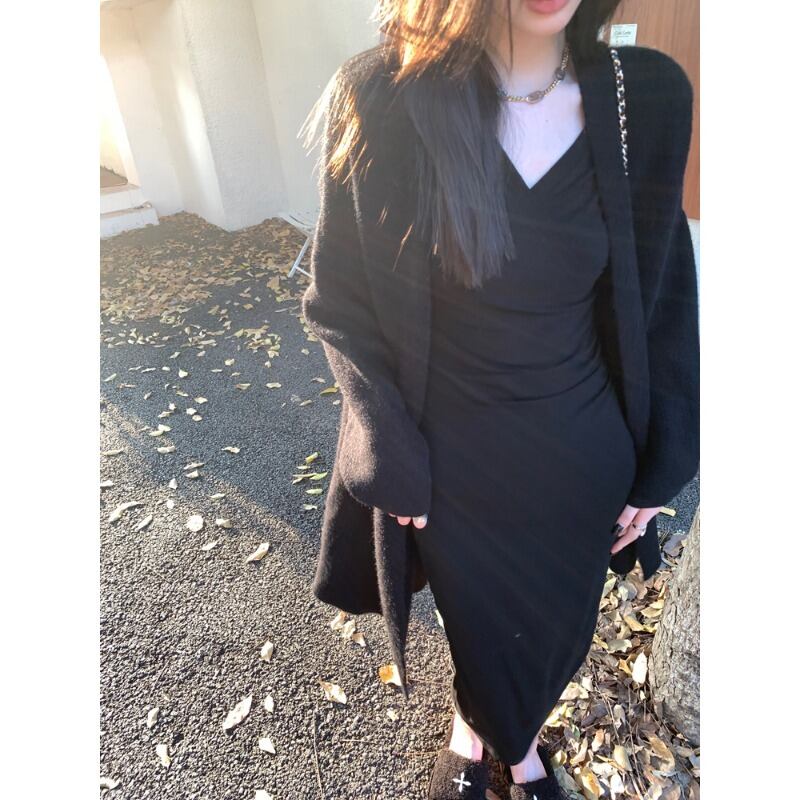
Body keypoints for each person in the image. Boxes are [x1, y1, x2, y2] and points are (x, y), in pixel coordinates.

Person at [300, 1, 699, 798]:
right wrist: (387, 445)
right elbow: (338, 304)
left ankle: (491, 728)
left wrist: (663, 468)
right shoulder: (383, 95)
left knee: (551, 628)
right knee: (481, 621)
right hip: (453, 465)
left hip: (584, 457)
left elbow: (663, 296)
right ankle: (507, 749)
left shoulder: (645, 97)